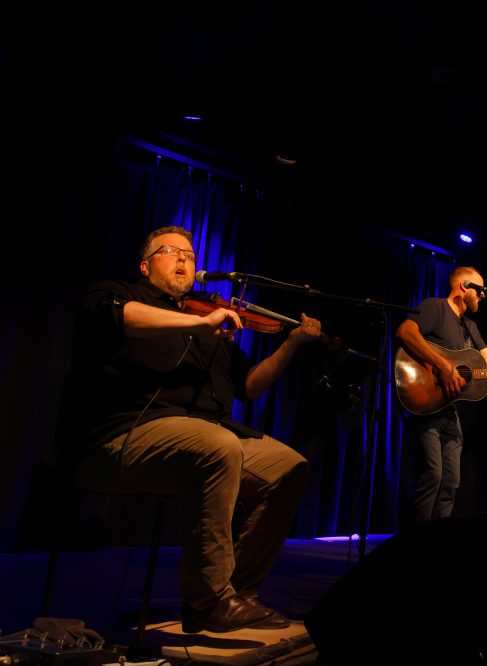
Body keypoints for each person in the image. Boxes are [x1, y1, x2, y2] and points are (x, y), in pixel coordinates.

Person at [67, 226, 322, 633]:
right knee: (218, 445)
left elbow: (250, 386)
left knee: (289, 467)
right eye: (171, 251)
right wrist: (193, 325)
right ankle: (209, 599)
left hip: (205, 436)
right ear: (146, 266)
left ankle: (238, 595)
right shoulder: (118, 292)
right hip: (121, 436)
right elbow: (118, 315)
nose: (184, 259)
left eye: (189, 254)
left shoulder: (206, 322)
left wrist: (291, 344)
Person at [395, 266, 487, 521]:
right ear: (464, 286)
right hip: (426, 403)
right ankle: (416, 539)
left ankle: (437, 538)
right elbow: (405, 332)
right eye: (479, 290)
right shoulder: (435, 307)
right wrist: (444, 367)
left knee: (451, 480)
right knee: (433, 474)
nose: (482, 296)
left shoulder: (470, 326)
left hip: (450, 412)